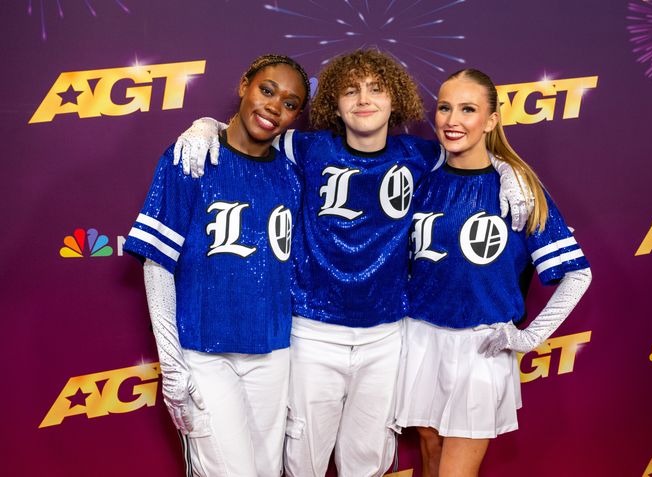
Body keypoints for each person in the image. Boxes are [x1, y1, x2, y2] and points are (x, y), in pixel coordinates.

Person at [173, 49, 531, 477]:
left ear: (395, 98)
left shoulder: (421, 156)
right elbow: (250, 133)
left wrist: (508, 170)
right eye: (350, 90)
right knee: (302, 458)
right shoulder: (303, 147)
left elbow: (471, 152)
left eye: (376, 89)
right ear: (333, 105)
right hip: (312, 332)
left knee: (368, 461)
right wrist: (203, 126)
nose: (364, 99)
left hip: (387, 336)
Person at [394, 68, 592, 477]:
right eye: (445, 108)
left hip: (479, 348)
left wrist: (528, 338)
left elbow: (578, 274)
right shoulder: (420, 173)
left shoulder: (519, 188)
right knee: (429, 454)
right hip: (419, 338)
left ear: (491, 120)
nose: (452, 120)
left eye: (468, 109)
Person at [123, 54, 311, 477]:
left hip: (272, 352)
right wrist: (171, 365)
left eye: (290, 102)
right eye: (267, 90)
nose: (274, 107)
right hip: (205, 353)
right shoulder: (191, 155)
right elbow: (156, 264)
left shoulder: (289, 175)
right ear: (244, 84)